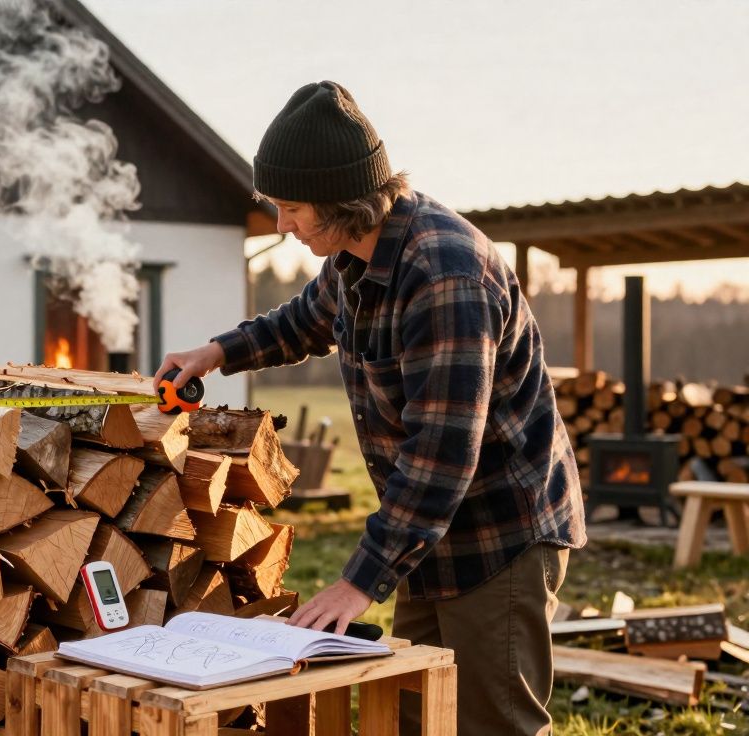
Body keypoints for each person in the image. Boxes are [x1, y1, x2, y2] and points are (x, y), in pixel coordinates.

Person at [154, 81, 586, 736]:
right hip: (428, 536)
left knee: (493, 724)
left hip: (500, 534)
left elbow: (440, 456)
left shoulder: (445, 274)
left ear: (342, 199)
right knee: (415, 712)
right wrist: (216, 352)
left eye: (292, 208)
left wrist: (360, 582)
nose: (281, 226)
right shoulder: (355, 257)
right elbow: (301, 322)